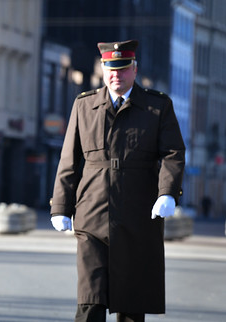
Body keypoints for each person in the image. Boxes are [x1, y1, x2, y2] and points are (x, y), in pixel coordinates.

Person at [50, 40, 185, 322]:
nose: (116, 75)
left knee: (131, 303)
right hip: (92, 214)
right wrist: (61, 206)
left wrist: (167, 193)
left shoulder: (156, 107)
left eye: (123, 69)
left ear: (134, 70)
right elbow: (69, 159)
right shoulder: (84, 105)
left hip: (138, 215)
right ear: (102, 69)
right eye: (111, 69)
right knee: (90, 299)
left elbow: (173, 153)